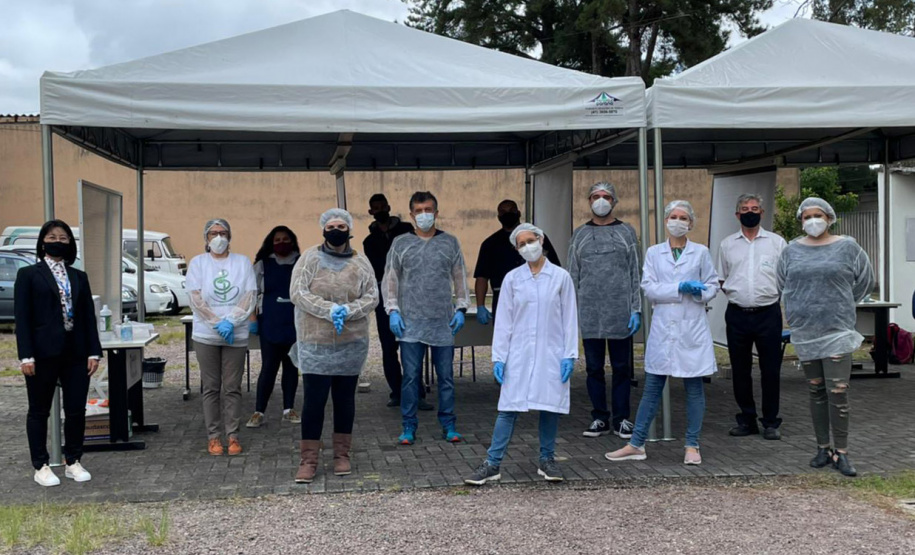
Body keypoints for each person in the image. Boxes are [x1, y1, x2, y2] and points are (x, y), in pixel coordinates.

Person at [605, 200, 719, 466]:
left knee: (693, 387)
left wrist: (699, 291)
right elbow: (650, 287)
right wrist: (680, 287)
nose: (677, 221)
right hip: (663, 326)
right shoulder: (654, 253)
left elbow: (712, 284)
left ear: (690, 223)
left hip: (692, 327)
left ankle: (692, 445)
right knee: (652, 387)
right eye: (673, 217)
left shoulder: (700, 252)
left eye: (683, 217)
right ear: (666, 221)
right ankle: (636, 444)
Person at [465, 224, 578, 486]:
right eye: (522, 243)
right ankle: (492, 463)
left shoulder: (561, 277)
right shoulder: (512, 279)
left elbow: (570, 318)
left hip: (552, 352)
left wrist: (569, 354)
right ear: (517, 249)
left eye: (531, 240)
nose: (528, 246)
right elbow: (504, 321)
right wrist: (499, 357)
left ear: (541, 239)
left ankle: (547, 459)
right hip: (519, 353)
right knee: (508, 409)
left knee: (549, 408)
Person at [777, 197, 874, 477]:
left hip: (837, 330)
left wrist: (841, 303)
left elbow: (865, 280)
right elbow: (782, 283)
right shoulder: (791, 250)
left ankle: (842, 452)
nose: (813, 220)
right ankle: (822, 448)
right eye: (807, 216)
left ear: (829, 218)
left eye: (818, 215)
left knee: (838, 391)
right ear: (801, 220)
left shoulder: (848, 247)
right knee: (816, 390)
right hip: (806, 331)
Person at [290, 209, 378, 483]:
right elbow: (298, 292)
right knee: (313, 402)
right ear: (323, 229)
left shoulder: (361, 261)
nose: (336, 229)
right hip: (315, 342)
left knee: (344, 400)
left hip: (351, 343)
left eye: (341, 225)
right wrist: (329, 309)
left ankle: (342, 455)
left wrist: (348, 310)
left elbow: (372, 295)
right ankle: (308, 460)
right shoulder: (309, 258)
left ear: (349, 229)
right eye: (331, 225)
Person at [15, 220, 101, 487]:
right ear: (42, 242)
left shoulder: (78, 276)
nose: (58, 241)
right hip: (42, 353)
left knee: (75, 410)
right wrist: (26, 355)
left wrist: (94, 351)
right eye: (53, 237)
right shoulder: (29, 275)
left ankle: (72, 460)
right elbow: (23, 318)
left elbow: (88, 316)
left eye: (64, 238)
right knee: (39, 411)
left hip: (75, 352)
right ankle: (40, 464)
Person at [382, 190, 470, 445]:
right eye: (418, 211)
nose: (424, 215)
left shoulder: (450, 242)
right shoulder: (401, 243)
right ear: (411, 214)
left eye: (428, 210)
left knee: (446, 377)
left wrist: (462, 308)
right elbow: (390, 278)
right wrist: (393, 310)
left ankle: (448, 424)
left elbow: (459, 276)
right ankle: (408, 426)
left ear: (436, 212)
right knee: (410, 377)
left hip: (442, 320)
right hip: (410, 320)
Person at [569, 182, 642, 440]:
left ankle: (622, 418)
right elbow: (572, 276)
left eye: (606, 196)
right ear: (589, 201)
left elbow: (635, 272)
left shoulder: (626, 232)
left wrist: (636, 308)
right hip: (590, 312)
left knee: (622, 368)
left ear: (614, 201)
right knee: (593, 368)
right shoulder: (579, 235)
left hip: (620, 311)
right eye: (596, 196)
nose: (601, 200)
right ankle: (599, 417)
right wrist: (572, 312)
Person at [717, 194, 788, 440]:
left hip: (768, 313)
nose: (750, 212)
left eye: (755, 208)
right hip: (737, 314)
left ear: (762, 212)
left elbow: (785, 276)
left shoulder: (777, 243)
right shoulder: (727, 244)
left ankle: (770, 422)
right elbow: (722, 278)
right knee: (740, 369)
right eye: (745, 209)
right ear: (737, 215)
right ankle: (747, 419)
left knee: (771, 369)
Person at [186, 219, 257, 457]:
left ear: (230, 236)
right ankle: (214, 436)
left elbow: (249, 295)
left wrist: (233, 321)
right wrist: (217, 322)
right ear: (206, 237)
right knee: (211, 387)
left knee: (232, 387)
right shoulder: (198, 263)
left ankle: (233, 435)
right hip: (206, 335)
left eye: (223, 233)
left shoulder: (242, 262)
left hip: (235, 335)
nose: (218, 237)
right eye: (214, 233)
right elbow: (196, 298)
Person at [362, 193, 430, 410]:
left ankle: (417, 393)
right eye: (376, 207)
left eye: (383, 206)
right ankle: (397, 392)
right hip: (384, 298)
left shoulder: (407, 231)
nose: (380, 210)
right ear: (371, 212)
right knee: (388, 347)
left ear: (389, 207)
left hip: (411, 294)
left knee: (412, 345)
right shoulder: (369, 241)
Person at [246, 226, 301, 429]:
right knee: (268, 367)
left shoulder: (301, 262)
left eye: (285, 239)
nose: (281, 242)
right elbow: (251, 293)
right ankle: (259, 411)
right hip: (270, 320)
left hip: (295, 321)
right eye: (277, 239)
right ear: (271, 242)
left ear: (292, 241)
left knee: (291, 365)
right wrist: (252, 317)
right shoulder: (262, 265)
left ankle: (289, 409)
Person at [473, 199, 561, 324]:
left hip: (537, 296)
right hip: (503, 299)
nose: (507, 214)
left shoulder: (537, 238)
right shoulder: (490, 244)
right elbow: (481, 277)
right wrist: (480, 306)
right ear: (498, 217)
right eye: (503, 212)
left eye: (511, 211)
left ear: (518, 213)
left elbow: (554, 268)